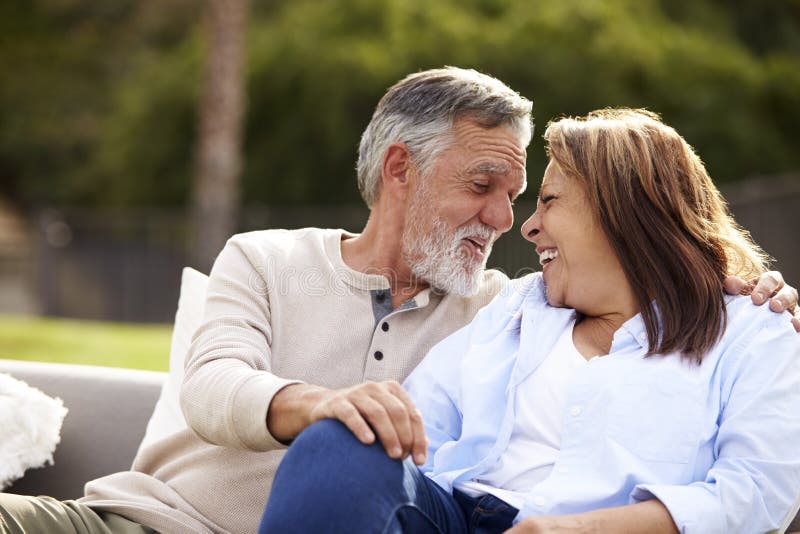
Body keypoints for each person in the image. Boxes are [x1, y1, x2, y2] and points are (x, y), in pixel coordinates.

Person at [0, 70, 795, 533]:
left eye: (527, 195)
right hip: (144, 523)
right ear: (399, 171)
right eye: (484, 187)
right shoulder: (266, 257)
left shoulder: (500, 302)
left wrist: (722, 282)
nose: (511, 220)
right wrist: (325, 407)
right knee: (347, 438)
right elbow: (212, 389)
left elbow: (756, 481)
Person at [259, 109, 800, 534]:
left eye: (549, 201)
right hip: (454, 515)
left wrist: (584, 530)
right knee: (341, 442)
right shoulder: (516, 309)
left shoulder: (752, 329)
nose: (530, 227)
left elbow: (759, 489)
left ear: (624, 211)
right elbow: (419, 428)